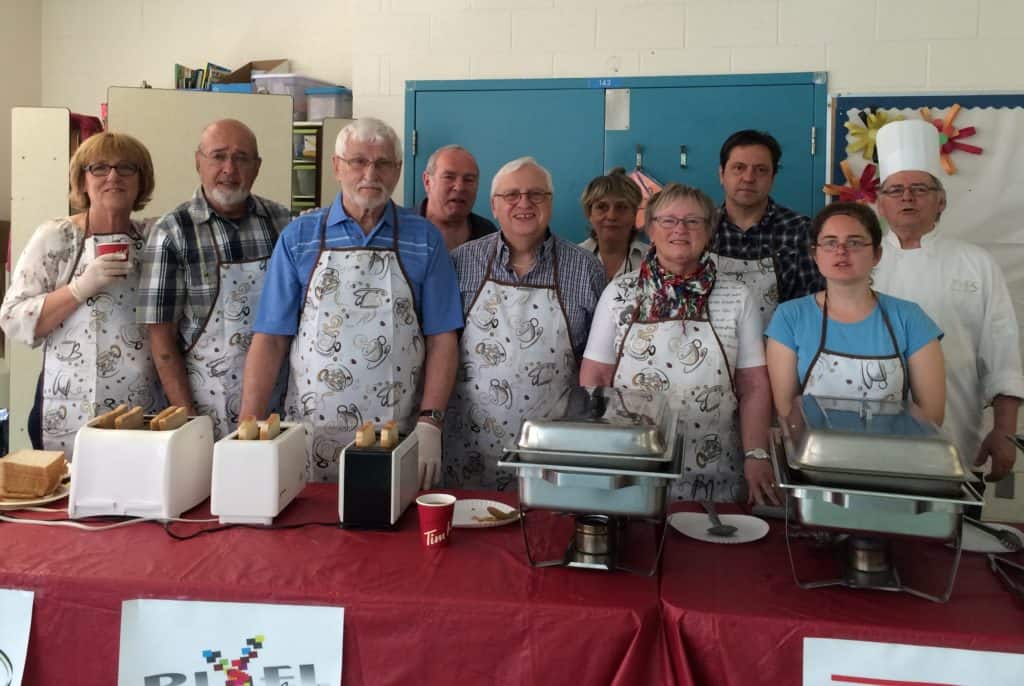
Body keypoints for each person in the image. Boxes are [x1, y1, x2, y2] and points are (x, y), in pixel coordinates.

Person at [239, 118, 463, 488]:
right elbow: (271, 338)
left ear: (398, 171)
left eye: (383, 163)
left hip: (397, 431)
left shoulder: (425, 239)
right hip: (312, 433)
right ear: (337, 166)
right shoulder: (299, 237)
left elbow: (442, 338)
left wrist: (431, 422)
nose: (370, 173)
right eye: (358, 161)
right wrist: (248, 428)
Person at [580, 183, 775, 505]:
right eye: (668, 221)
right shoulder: (619, 292)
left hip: (714, 461)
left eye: (693, 221)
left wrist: (756, 453)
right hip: (632, 459)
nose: (680, 230)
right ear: (651, 230)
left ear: (708, 230)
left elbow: (753, 384)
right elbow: (596, 377)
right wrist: (599, 448)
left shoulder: (737, 296)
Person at [872, 119, 1024, 481]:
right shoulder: (862, 261)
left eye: (919, 189)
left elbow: (1002, 353)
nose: (907, 197)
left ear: (941, 202)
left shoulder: (976, 263)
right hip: (868, 434)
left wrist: (1004, 431)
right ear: (879, 204)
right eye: (895, 190)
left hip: (955, 426)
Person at [445, 157, 606, 491]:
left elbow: (599, 364)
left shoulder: (586, 268)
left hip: (554, 448)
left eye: (536, 195)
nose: (524, 204)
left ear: (550, 202)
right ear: (494, 205)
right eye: (512, 195)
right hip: (470, 448)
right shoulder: (461, 262)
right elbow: (441, 350)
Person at [1, 132, 161, 457]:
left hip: (141, 407)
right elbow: (12, 317)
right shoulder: (57, 237)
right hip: (66, 408)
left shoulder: (156, 237)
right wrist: (77, 289)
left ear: (141, 181)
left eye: (126, 168)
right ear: (82, 180)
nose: (113, 176)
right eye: (99, 168)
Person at [136, 119, 291, 440]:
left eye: (241, 158)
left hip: (277, 404)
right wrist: (189, 420)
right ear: (198, 162)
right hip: (203, 404)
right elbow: (161, 337)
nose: (229, 168)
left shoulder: (282, 223)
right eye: (218, 156)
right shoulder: (172, 232)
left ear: (257, 167)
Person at [765, 201, 946, 425]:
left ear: (877, 254)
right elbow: (787, 416)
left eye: (855, 242)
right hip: (814, 457)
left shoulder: (910, 318)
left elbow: (931, 419)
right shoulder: (790, 317)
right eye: (830, 243)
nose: (841, 251)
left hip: (893, 456)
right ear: (815, 254)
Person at [711, 129, 823, 330]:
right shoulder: (700, 228)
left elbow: (811, 308)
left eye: (761, 170)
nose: (748, 177)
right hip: (710, 353)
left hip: (780, 353)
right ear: (721, 174)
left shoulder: (801, 231)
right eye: (739, 168)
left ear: (773, 177)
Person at [419, 144, 497, 250]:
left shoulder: (488, 234)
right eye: (449, 177)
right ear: (427, 182)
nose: (459, 187)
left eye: (468, 179)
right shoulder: (401, 228)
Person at [578, 168, 649, 280]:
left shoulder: (652, 260)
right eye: (602, 207)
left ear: (634, 214)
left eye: (621, 207)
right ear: (589, 213)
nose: (612, 216)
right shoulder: (574, 258)